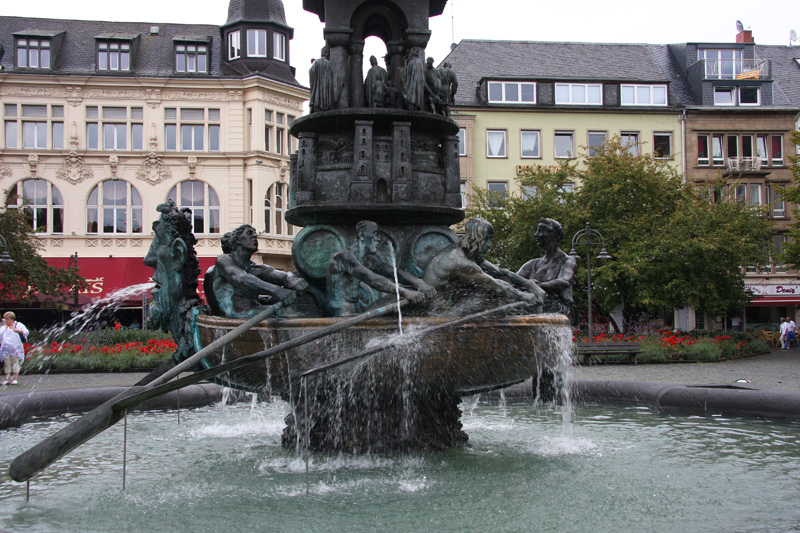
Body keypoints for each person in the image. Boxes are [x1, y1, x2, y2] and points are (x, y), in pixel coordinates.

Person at [423, 218, 542, 315]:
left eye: (490, 239)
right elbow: (496, 285)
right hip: (439, 313)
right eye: (486, 239)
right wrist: (523, 295)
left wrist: (529, 284)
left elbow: (499, 272)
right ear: (476, 239)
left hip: (449, 303)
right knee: (489, 297)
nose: (489, 244)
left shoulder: (464, 250)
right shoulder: (460, 262)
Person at [327, 220, 434, 316]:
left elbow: (390, 271)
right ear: (361, 235)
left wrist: (418, 282)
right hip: (341, 311)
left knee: (396, 301)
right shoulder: (344, 256)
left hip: (356, 307)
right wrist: (405, 292)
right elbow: (371, 279)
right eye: (375, 234)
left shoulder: (368, 258)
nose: (379, 239)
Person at [209, 224, 308, 318]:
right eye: (249, 233)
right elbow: (241, 278)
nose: (255, 236)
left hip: (252, 311)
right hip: (233, 314)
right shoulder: (224, 259)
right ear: (237, 240)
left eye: (255, 233)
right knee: (292, 313)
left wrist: (292, 279)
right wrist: (276, 291)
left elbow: (283, 275)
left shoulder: (255, 268)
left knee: (301, 308)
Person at [516, 218, 577, 314]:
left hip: (556, 310)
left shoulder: (567, 260)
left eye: (541, 231)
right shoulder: (532, 264)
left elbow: (565, 280)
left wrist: (539, 286)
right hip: (534, 308)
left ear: (554, 235)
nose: (536, 234)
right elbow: (513, 280)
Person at [0, 311, 29, 385]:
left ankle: (15, 378)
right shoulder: (4, 327)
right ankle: (7, 379)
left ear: (12, 319)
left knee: (15, 362)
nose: (6, 321)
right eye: (5, 319)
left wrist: (19, 330)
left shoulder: (18, 325)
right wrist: (5, 327)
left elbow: (26, 332)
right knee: (7, 363)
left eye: (7, 319)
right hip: (6, 349)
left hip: (15, 348)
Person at [309, 47, 336, 113]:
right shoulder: (331, 64)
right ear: (328, 54)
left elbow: (311, 72)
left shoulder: (316, 63)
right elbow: (335, 79)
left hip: (317, 93)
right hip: (328, 93)